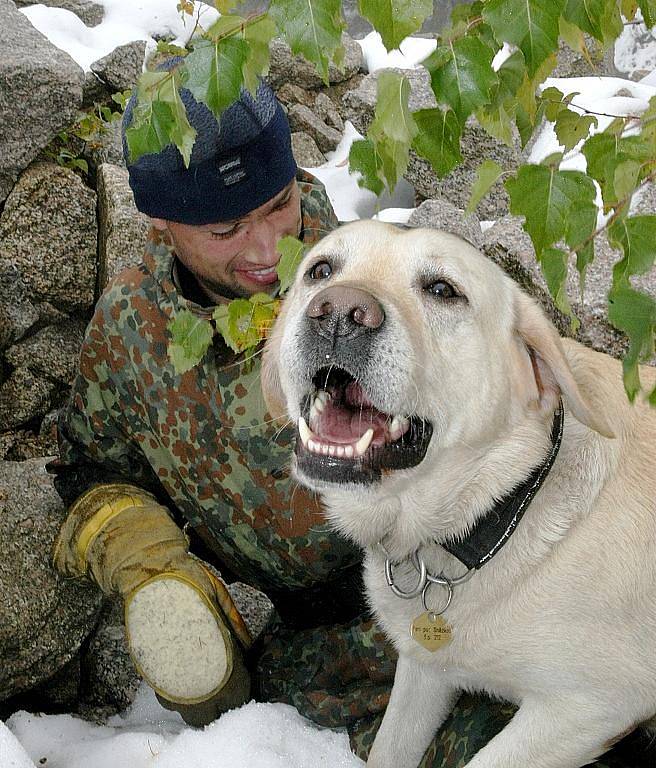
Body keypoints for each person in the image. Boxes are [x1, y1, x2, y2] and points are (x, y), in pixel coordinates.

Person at [48, 75, 631, 766]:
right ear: (160, 223)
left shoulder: (379, 264)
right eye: (226, 229)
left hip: (475, 586)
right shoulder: (129, 326)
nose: (267, 251)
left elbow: (512, 400)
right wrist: (143, 557)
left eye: (280, 204)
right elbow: (88, 464)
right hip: (330, 645)